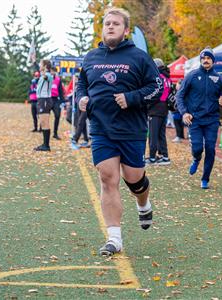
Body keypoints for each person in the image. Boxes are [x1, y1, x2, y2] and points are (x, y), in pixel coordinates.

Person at [76, 7, 162, 256]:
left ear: (125, 30)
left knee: (134, 179)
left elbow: (158, 88)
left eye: (115, 24)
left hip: (131, 129)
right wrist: (81, 97)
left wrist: (132, 98)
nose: (110, 27)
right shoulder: (91, 57)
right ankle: (114, 238)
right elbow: (82, 82)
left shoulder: (139, 57)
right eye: (107, 23)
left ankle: (143, 203)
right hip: (101, 128)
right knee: (107, 178)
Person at [176, 47, 222, 189]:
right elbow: (179, 95)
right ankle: (196, 158)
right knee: (198, 148)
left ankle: (205, 179)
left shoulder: (219, 79)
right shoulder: (192, 75)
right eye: (203, 58)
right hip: (195, 119)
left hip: (212, 120)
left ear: (213, 61)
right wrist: (184, 113)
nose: (206, 60)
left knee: (211, 149)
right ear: (201, 60)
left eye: (208, 58)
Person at [146, 58, 171, 165]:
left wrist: (148, 105)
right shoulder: (166, 77)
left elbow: (156, 94)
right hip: (164, 108)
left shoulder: (159, 77)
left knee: (153, 134)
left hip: (156, 109)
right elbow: (165, 95)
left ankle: (152, 157)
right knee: (161, 134)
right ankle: (165, 157)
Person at [34, 59, 54, 151]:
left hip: (45, 100)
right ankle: (44, 144)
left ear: (45, 66)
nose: (39, 65)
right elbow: (40, 72)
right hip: (41, 100)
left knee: (45, 122)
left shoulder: (48, 75)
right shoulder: (43, 75)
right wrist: (34, 62)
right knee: (42, 122)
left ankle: (46, 146)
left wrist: (44, 73)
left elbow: (46, 77)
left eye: (41, 64)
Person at [50, 67, 65, 140]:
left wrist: (63, 102)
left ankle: (55, 133)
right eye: (51, 71)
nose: (53, 72)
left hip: (55, 100)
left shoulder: (58, 79)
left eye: (54, 71)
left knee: (57, 115)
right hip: (48, 99)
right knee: (45, 115)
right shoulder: (47, 78)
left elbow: (60, 91)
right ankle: (42, 128)